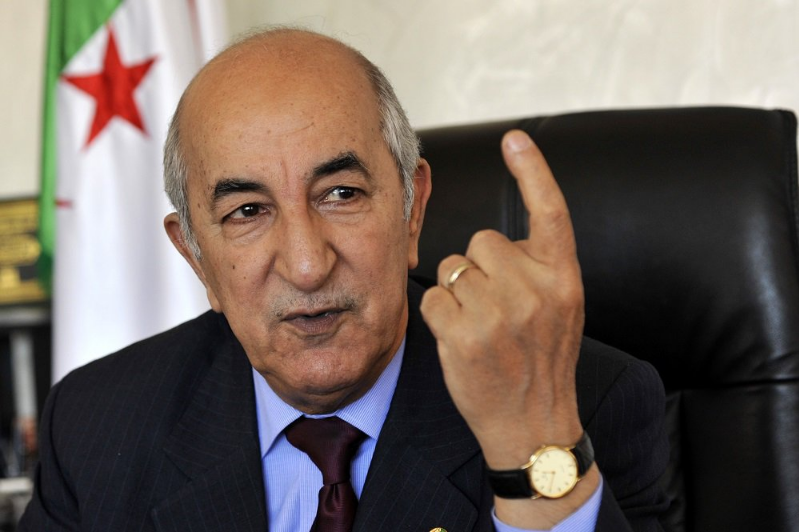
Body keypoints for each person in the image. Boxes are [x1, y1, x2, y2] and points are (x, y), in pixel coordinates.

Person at [19, 28, 668, 531]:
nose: (307, 265)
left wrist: (532, 446)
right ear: (194, 256)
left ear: (412, 210)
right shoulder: (97, 425)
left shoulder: (585, 405)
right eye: (247, 212)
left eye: (341, 194)